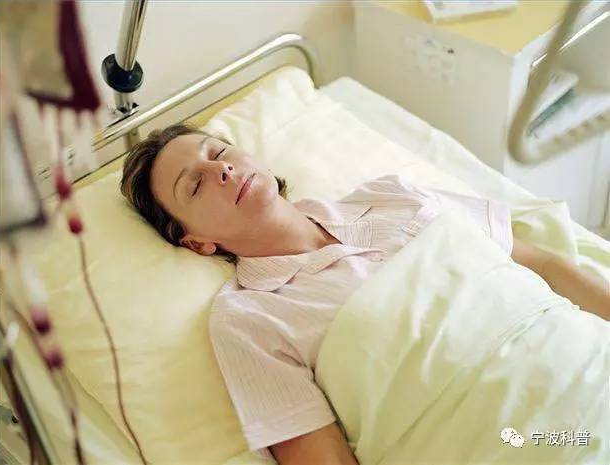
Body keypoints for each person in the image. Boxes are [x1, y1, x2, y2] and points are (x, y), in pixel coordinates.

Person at [120, 123, 609, 465]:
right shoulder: (248, 318)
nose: (220, 170)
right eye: (195, 185)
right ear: (197, 243)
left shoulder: (394, 196)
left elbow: (544, 266)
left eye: (218, 153)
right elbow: (321, 458)